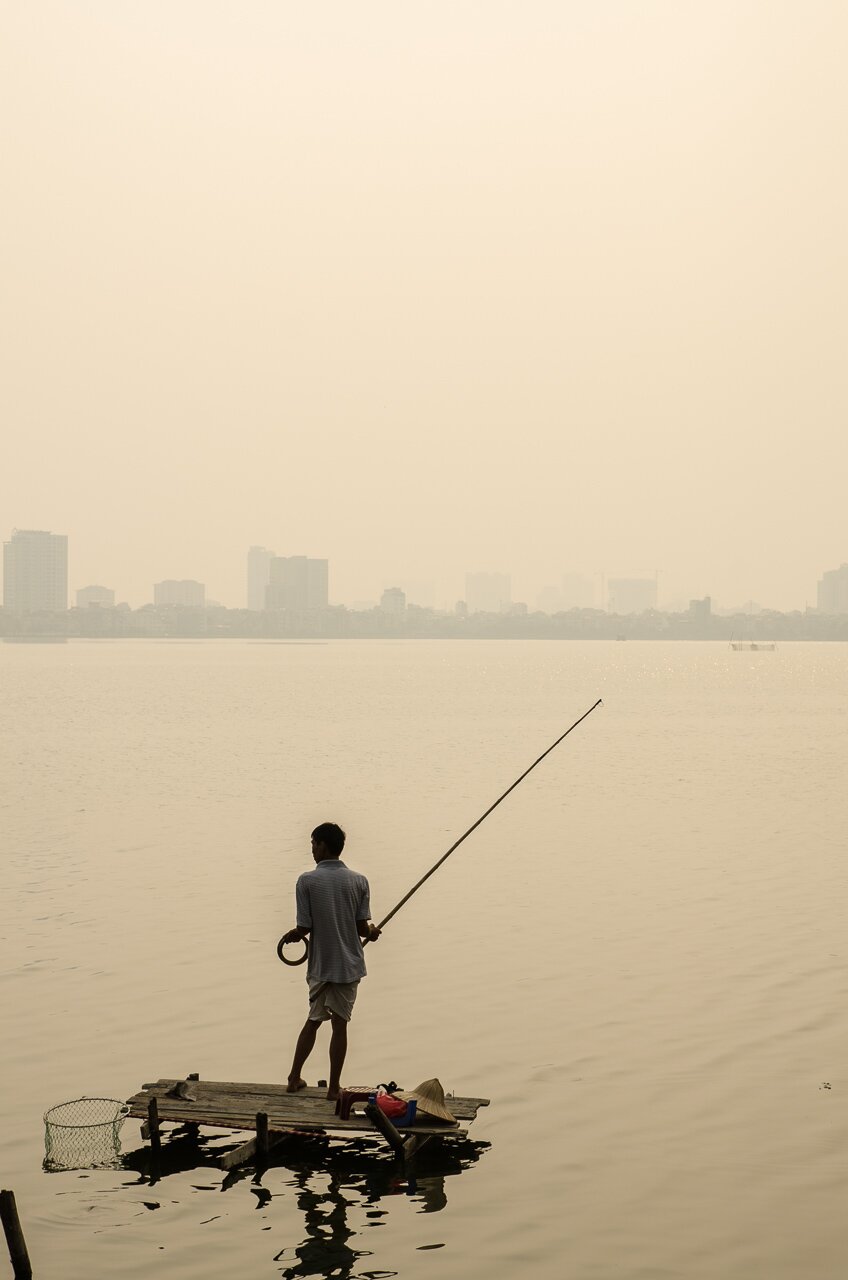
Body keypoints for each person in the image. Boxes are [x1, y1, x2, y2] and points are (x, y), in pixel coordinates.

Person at [281, 822, 380, 1101]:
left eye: (313, 844)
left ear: (323, 845)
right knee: (340, 1024)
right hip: (348, 966)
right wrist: (372, 933)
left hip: (321, 966)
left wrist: (293, 935)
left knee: (313, 1020)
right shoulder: (359, 881)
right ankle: (334, 1088)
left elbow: (303, 927)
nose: (312, 849)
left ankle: (293, 1077)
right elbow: (363, 928)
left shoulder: (306, 881)